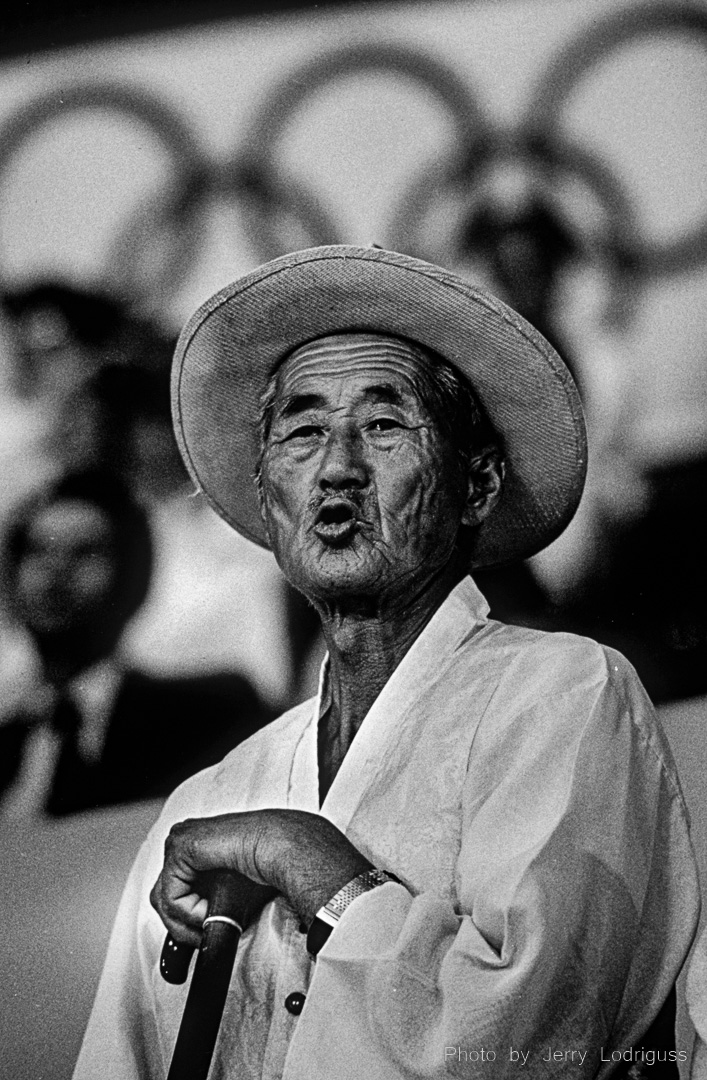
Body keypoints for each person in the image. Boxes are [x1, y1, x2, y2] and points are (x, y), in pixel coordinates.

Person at [74, 246, 699, 1079]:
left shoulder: (563, 693)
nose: (337, 467)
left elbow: (525, 1049)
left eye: (382, 424)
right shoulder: (211, 797)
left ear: (474, 485)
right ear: (268, 498)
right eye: (300, 430)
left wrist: (311, 863)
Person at [0, 470, 267, 817]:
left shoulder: (204, 718)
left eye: (84, 553)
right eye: (38, 551)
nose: (55, 572)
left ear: (132, 578)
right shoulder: (6, 741)